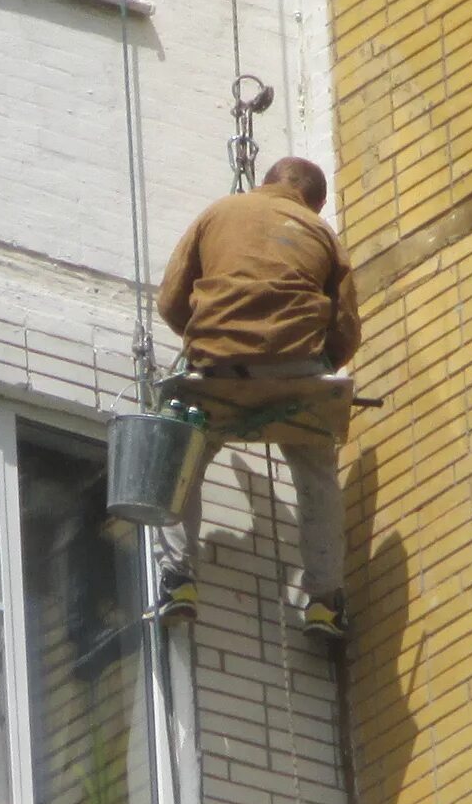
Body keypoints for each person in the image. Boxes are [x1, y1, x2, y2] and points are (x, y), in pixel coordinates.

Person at [154, 155, 361, 640]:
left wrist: (210, 340)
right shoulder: (323, 234)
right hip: (298, 367)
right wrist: (318, 367)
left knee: (180, 459)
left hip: (219, 363)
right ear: (315, 201)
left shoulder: (219, 212)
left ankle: (178, 582)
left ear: (266, 182)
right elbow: (347, 328)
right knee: (317, 476)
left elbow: (169, 299)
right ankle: (324, 603)